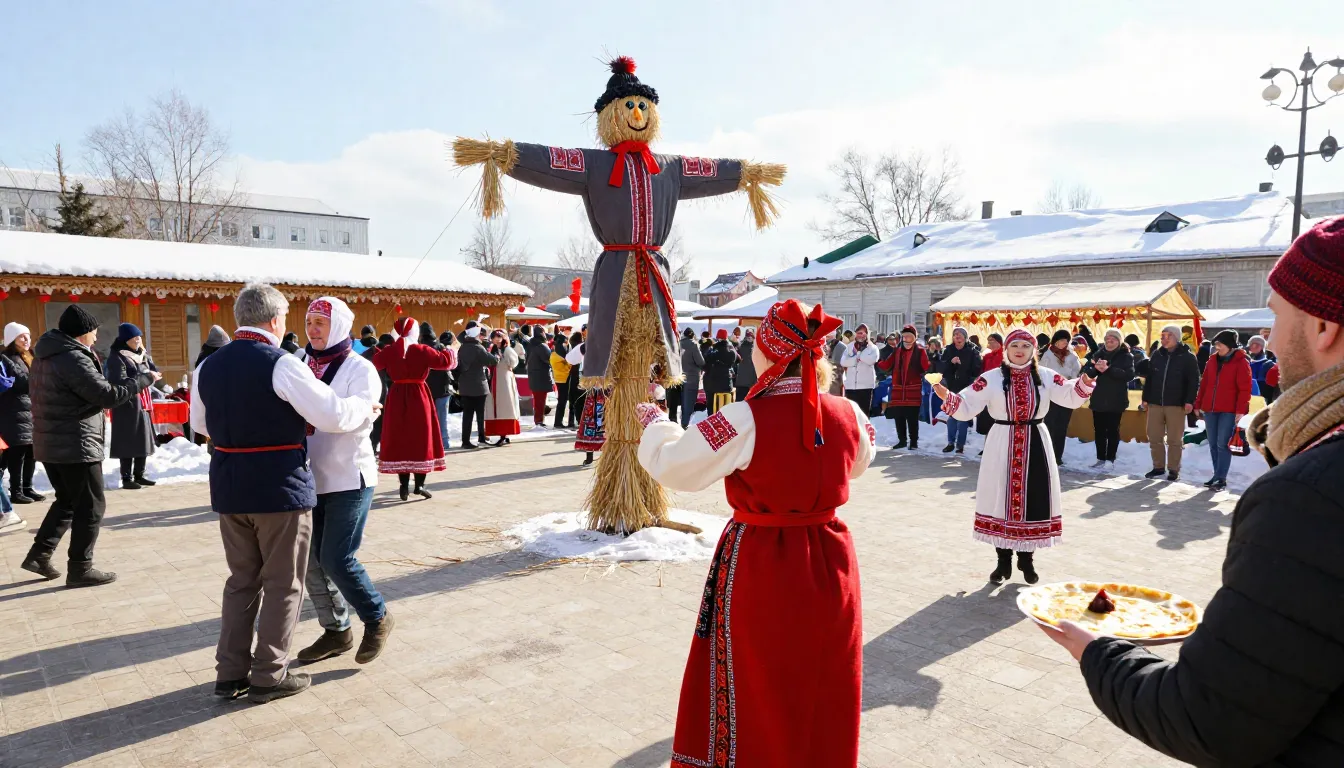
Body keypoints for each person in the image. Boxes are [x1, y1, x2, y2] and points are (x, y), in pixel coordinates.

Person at [1041, 215, 1344, 767]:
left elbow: (1208, 719)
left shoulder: (1311, 498)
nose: (1270, 340)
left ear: (1324, 327)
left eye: (1277, 317)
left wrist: (1101, 651)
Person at [638, 298, 875, 768]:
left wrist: (656, 419)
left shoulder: (745, 418)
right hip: (831, 561)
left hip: (765, 561)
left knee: (760, 679)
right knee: (823, 674)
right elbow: (863, 462)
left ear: (768, 354)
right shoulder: (848, 411)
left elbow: (676, 466)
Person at [191, 283, 375, 704]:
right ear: (276, 320)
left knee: (241, 581)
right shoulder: (283, 364)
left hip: (229, 487)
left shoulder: (208, 366)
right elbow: (330, 414)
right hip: (277, 487)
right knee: (283, 583)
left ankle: (229, 672)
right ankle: (269, 674)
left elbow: (200, 425)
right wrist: (365, 408)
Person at [934, 328, 1095, 584]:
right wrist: (948, 396)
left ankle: (1026, 560)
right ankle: (1003, 561)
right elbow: (967, 404)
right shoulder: (991, 378)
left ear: (1033, 351)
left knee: (1033, 501)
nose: (1020, 350)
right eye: (1014, 346)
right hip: (1002, 442)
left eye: (1025, 346)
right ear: (1006, 350)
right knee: (1000, 498)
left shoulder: (1045, 376)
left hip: (1035, 441)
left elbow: (1069, 395)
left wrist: (1086, 380)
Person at [21, 306, 159, 586]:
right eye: (94, 333)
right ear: (82, 333)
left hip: (51, 441)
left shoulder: (45, 355)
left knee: (68, 501)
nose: (96, 339)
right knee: (92, 506)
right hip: (75, 443)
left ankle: (39, 554)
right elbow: (108, 395)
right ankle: (80, 568)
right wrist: (143, 379)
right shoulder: (73, 358)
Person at [293, 298, 394, 667]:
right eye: (309, 321)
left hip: (350, 476)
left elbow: (348, 419)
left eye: (321, 322)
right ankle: (336, 630)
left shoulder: (360, 368)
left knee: (337, 557)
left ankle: (377, 617)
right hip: (309, 476)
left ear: (338, 326)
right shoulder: (301, 364)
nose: (313, 329)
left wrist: (312, 415)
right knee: (311, 562)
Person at [373, 316, 456, 499]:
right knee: (421, 438)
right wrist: (449, 348)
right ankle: (419, 486)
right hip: (419, 395)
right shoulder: (422, 350)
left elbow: (374, 363)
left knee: (400, 437)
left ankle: (403, 485)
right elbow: (445, 363)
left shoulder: (390, 351)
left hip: (396, 396)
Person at [1137, 324, 1200, 481]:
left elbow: (1193, 382)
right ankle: (1158, 467)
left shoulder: (1188, 357)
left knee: (1174, 439)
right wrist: (1145, 398)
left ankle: (1173, 469)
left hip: (1176, 404)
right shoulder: (1157, 355)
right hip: (1155, 403)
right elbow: (1149, 378)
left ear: (1176, 337)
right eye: (1162, 336)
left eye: (1168, 336)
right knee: (1154, 436)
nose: (1164, 339)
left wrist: (1189, 401)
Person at [1193, 329, 1252, 490]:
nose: (1217, 347)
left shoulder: (1241, 362)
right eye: (1216, 344)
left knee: (1222, 444)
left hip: (1229, 409)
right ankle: (1217, 475)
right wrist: (1198, 403)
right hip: (1210, 409)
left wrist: (1241, 410)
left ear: (1230, 345)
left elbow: (1245, 388)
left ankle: (1221, 478)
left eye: (1220, 344)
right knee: (1213, 443)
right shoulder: (1212, 360)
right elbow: (1204, 383)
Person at [104, 323, 159, 490]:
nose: (138, 340)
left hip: (142, 401)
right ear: (125, 340)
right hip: (126, 402)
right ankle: (126, 477)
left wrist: (147, 361)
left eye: (139, 337)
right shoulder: (117, 357)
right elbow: (119, 381)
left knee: (142, 437)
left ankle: (140, 474)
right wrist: (143, 377)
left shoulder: (142, 355)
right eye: (134, 337)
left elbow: (154, 371)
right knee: (127, 439)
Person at [1082, 329, 1135, 471]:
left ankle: (1110, 459)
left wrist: (1108, 369)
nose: (1109, 341)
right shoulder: (1098, 354)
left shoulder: (1126, 356)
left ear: (1119, 341)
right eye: (1107, 338)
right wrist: (1096, 369)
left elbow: (1129, 375)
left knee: (1112, 430)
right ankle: (1100, 458)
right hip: (1099, 397)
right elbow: (1088, 372)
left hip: (1116, 398)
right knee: (1099, 430)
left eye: (1113, 339)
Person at [0, 322, 40, 504]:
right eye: (21, 337)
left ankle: (27, 488)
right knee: (18, 452)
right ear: (11, 339)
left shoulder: (31, 356)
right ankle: (16, 491)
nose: (26, 340)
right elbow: (21, 381)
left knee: (32, 451)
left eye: (28, 336)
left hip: (31, 411)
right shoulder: (6, 358)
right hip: (14, 412)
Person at [877, 324, 929, 449]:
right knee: (899, 416)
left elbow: (926, 367)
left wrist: (930, 359)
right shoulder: (897, 351)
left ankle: (913, 442)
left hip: (913, 389)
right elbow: (887, 364)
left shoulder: (920, 351)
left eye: (909, 337)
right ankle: (902, 440)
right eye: (904, 337)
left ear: (914, 338)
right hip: (899, 390)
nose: (906, 339)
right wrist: (877, 362)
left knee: (912, 417)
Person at [1038, 330, 1081, 464]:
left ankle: (1058, 456)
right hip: (1051, 393)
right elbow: (1041, 372)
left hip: (1066, 392)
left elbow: (1077, 371)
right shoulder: (1048, 354)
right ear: (1055, 341)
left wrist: (1070, 379)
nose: (1064, 343)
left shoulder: (1072, 355)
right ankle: (1048, 453)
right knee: (1050, 423)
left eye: (1066, 341)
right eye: (1061, 340)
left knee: (1062, 425)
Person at [939, 327, 982, 454]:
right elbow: (942, 368)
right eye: (955, 334)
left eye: (959, 334)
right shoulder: (948, 350)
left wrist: (962, 364)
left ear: (965, 337)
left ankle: (960, 445)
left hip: (966, 387)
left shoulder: (972, 350)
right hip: (951, 387)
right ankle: (950, 442)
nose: (957, 336)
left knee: (962, 417)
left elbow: (976, 369)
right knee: (952, 416)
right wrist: (950, 363)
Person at [454, 323, 497, 449]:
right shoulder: (478, 348)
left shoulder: (462, 347)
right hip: (478, 384)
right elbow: (492, 360)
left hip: (465, 385)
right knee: (480, 414)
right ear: (477, 335)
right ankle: (481, 437)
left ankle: (465, 440)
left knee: (467, 414)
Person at [569, 337, 606, 466]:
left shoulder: (614, 345)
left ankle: (606, 455)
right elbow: (570, 359)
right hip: (594, 392)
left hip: (608, 391)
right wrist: (581, 349)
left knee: (605, 423)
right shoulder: (587, 346)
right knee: (592, 422)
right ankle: (590, 454)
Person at [484, 328, 521, 445]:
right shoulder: (493, 349)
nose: (497, 339)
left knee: (505, 405)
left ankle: (504, 433)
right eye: (495, 337)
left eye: (499, 337)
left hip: (504, 379)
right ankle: (500, 433)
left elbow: (513, 363)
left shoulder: (507, 349)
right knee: (496, 406)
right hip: (495, 379)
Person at [420, 322, 453, 450]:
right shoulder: (440, 347)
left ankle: (429, 443)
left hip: (426, 388)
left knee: (427, 419)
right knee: (442, 418)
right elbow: (450, 364)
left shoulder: (419, 348)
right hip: (443, 388)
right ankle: (444, 443)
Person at [840, 323, 880, 415]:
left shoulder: (873, 348)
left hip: (865, 386)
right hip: (850, 386)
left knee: (863, 414)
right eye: (858, 333)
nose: (860, 335)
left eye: (862, 333)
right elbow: (843, 362)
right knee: (851, 414)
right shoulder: (850, 347)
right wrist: (856, 359)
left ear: (866, 334)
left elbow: (871, 360)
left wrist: (859, 357)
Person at [974, 333, 1005, 442]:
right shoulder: (987, 356)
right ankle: (988, 444)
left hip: (1000, 391)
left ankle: (995, 443)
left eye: (991, 340)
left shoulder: (1005, 356)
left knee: (996, 419)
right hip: (987, 391)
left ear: (998, 342)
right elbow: (982, 372)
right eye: (988, 340)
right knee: (987, 420)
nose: (989, 343)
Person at [367, 334, 393, 455]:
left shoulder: (367, 354)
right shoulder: (383, 355)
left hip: (366, 392)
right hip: (381, 393)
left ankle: (371, 447)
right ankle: (375, 447)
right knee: (379, 423)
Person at [524, 325, 554, 428]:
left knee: (538, 401)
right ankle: (539, 421)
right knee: (540, 400)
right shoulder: (541, 346)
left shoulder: (530, 344)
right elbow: (549, 359)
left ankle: (538, 420)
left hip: (533, 376)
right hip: (541, 376)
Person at [703, 328, 738, 415]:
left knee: (710, 405)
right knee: (725, 405)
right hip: (726, 384)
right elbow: (738, 359)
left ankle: (710, 419)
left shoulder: (712, 350)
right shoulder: (731, 351)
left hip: (711, 383)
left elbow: (704, 364)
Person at [678, 327, 704, 427]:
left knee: (683, 400)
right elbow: (700, 361)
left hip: (679, 376)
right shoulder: (693, 345)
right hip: (692, 377)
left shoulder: (678, 343)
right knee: (689, 400)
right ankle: (685, 423)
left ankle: (682, 420)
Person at [1246, 334, 1278, 403]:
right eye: (1251, 345)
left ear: (1262, 347)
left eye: (1256, 345)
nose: (1253, 347)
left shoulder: (1269, 365)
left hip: (1263, 402)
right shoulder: (1245, 363)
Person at [551, 332, 572, 429]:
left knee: (562, 401)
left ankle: (558, 421)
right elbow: (567, 366)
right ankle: (558, 422)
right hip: (563, 379)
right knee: (562, 401)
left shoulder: (554, 353)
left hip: (559, 379)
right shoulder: (559, 354)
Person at [565, 331, 584, 428]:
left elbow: (569, 359)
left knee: (575, 401)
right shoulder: (582, 347)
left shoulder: (578, 348)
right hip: (581, 378)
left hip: (577, 378)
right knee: (580, 401)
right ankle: (578, 421)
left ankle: (575, 421)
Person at [735, 328, 757, 403]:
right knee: (751, 405)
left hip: (741, 381)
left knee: (740, 404)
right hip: (752, 382)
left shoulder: (739, 346)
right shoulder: (757, 348)